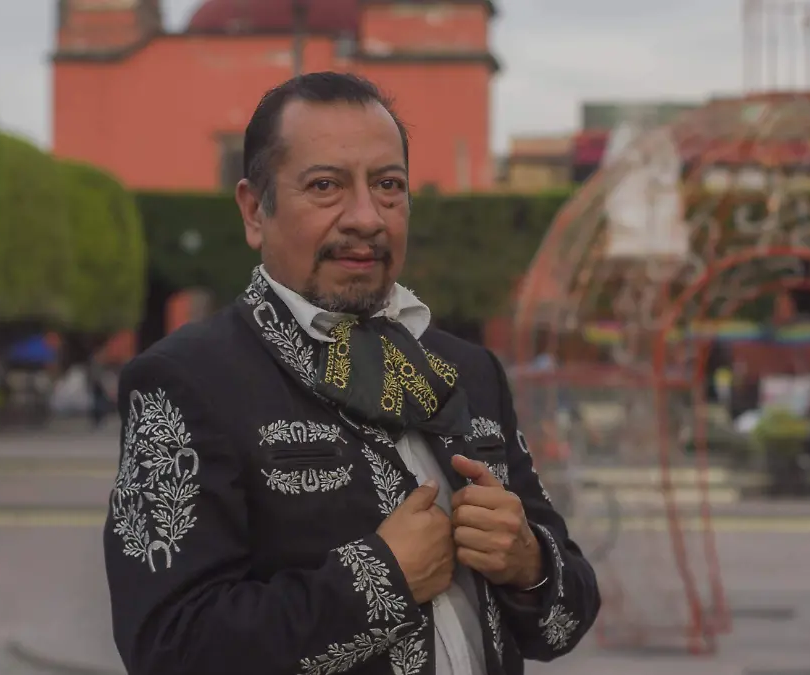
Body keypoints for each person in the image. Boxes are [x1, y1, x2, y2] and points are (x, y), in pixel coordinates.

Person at [104, 72, 600, 675]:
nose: (366, 217)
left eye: (389, 186)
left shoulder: (470, 370)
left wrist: (529, 564)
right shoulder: (188, 381)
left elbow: (569, 618)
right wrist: (381, 581)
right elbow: (168, 649)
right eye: (325, 186)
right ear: (255, 210)